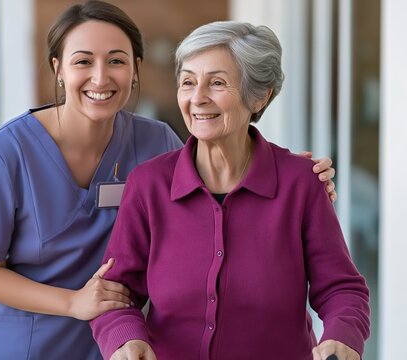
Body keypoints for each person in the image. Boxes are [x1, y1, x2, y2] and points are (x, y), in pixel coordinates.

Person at [0, 2, 337, 359]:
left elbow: (217, 167)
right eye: (83, 61)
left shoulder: (155, 142)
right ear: (58, 69)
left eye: (116, 60)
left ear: (135, 70)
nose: (100, 76)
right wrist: (73, 303)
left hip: (107, 342)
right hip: (11, 343)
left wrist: (293, 176)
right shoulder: (5, 153)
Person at [90, 21, 370, 360]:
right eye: (188, 82)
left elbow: (341, 288)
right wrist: (126, 340)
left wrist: (343, 336)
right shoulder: (148, 185)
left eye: (217, 83)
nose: (197, 98)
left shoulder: (300, 183)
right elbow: (117, 292)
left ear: (259, 95)